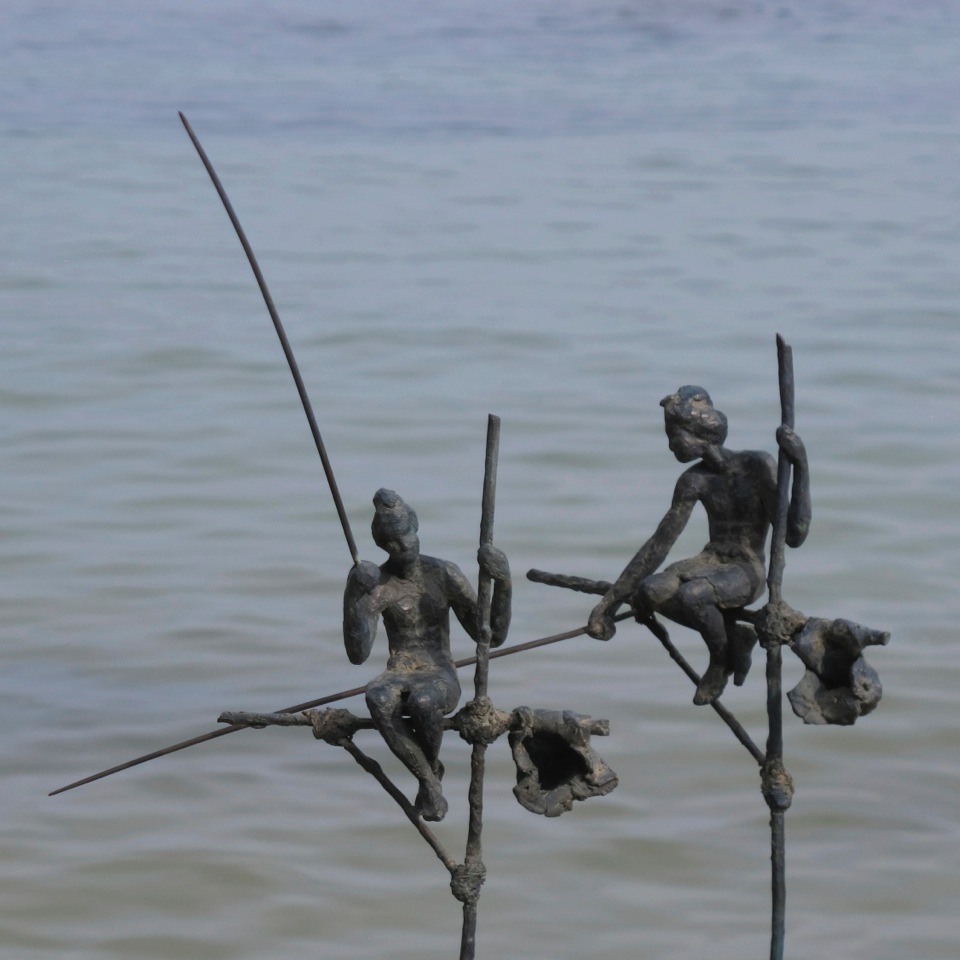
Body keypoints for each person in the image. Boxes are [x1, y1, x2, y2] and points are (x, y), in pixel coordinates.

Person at [586, 386, 810, 705]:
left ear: (697, 432)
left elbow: (794, 535)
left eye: (673, 435)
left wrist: (800, 466)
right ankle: (733, 637)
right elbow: (658, 545)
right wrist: (608, 605)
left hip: (746, 569)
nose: (670, 445)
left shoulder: (757, 465)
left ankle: (720, 662)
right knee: (650, 590)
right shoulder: (693, 480)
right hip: (709, 561)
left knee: (693, 595)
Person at [343, 488, 512, 821]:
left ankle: (429, 775)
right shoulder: (379, 583)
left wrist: (504, 581)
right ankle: (430, 779)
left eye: (406, 535)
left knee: (423, 702)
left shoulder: (443, 573)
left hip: (439, 672)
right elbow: (358, 653)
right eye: (392, 542)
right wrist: (354, 597)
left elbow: (490, 635)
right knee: (378, 698)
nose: (403, 546)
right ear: (381, 544)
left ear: (416, 527)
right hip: (398, 670)